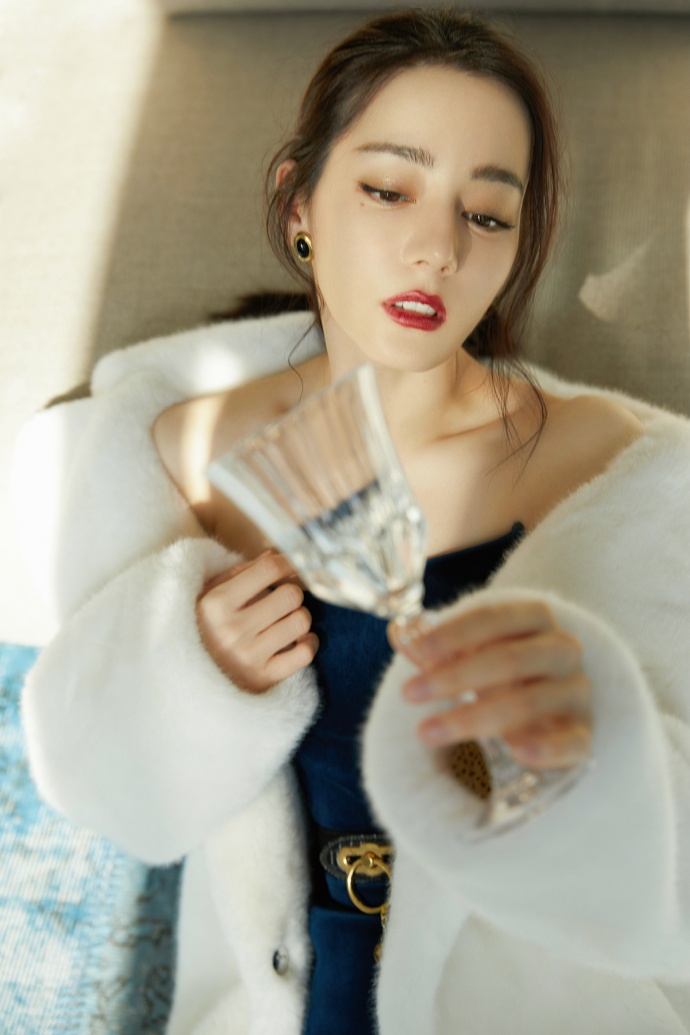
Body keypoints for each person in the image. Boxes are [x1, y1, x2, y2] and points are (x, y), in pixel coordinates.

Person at [13, 9, 690, 1034]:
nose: (437, 249)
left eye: (488, 215)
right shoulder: (171, 456)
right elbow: (100, 791)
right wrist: (193, 672)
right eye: (388, 189)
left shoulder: (620, 474)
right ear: (301, 202)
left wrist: (566, 764)